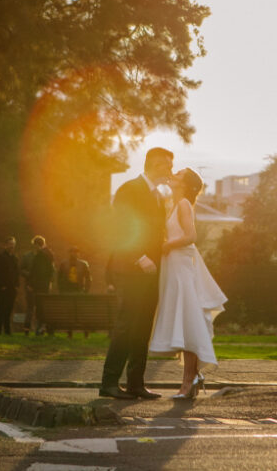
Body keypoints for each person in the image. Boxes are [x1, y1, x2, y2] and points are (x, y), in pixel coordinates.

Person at [99, 147, 174, 400]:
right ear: (154, 165)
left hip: (151, 273)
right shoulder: (129, 189)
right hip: (131, 270)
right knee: (126, 325)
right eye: (167, 166)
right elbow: (119, 227)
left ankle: (135, 384)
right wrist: (139, 257)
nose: (170, 171)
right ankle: (109, 382)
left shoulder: (158, 196)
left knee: (142, 327)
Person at [149, 167, 227, 399]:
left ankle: (188, 381)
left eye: (179, 174)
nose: (173, 175)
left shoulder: (183, 204)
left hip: (182, 267)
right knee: (184, 323)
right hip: (174, 266)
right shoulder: (173, 203)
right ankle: (191, 378)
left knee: (188, 321)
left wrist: (167, 245)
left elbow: (191, 236)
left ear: (185, 184)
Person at [25, 235, 55, 335]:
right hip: (46, 285)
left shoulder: (39, 256)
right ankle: (44, 328)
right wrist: (50, 281)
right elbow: (51, 270)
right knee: (44, 306)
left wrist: (30, 284)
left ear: (38, 245)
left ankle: (40, 328)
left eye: (35, 246)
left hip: (39, 285)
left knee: (39, 307)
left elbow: (35, 271)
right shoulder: (50, 254)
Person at [0, 236, 20, 334]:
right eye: (9, 244)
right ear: (5, 245)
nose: (11, 246)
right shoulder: (0, 257)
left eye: (13, 244)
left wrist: (17, 285)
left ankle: (7, 331)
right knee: (1, 309)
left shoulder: (15, 258)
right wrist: (1, 285)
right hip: (3, 288)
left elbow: (17, 273)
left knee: (9, 310)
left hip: (12, 288)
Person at [19, 241, 36, 335]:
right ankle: (27, 327)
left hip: (40, 286)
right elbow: (21, 269)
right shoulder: (27, 256)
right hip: (30, 285)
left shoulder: (44, 256)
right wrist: (29, 275)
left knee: (38, 308)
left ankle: (38, 328)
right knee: (30, 307)